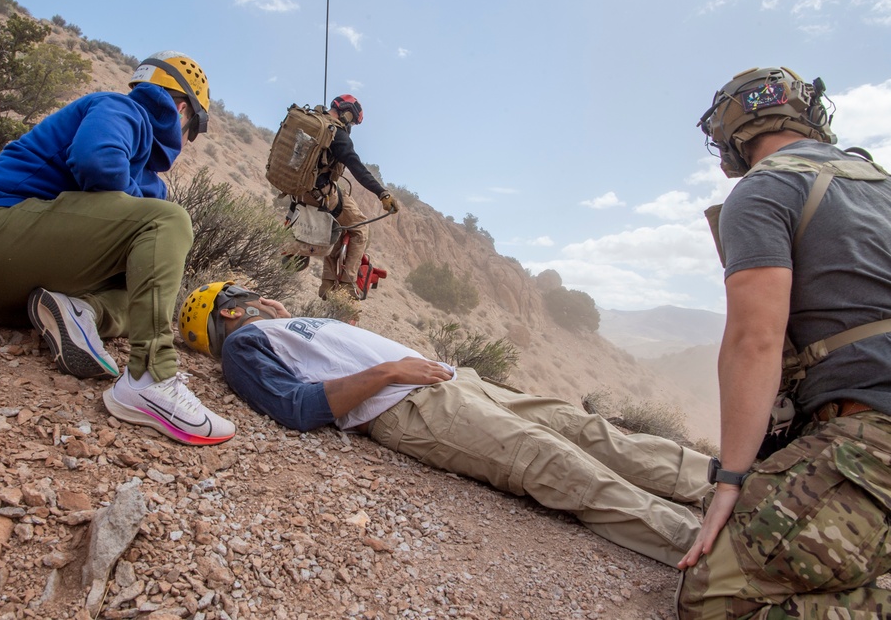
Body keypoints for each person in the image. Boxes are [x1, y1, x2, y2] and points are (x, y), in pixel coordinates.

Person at [177, 281, 713, 567]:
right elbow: (297, 408)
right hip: (413, 407)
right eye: (246, 292)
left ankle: (712, 481)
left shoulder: (287, 325)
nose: (263, 294)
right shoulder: (246, 344)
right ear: (230, 311)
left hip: (455, 383)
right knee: (554, 461)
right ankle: (701, 547)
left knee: (581, 428)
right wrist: (389, 370)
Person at [678, 66, 891, 617]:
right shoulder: (882, 185)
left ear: (731, 138)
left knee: (715, 599)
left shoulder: (767, 187)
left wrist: (730, 482)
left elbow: (755, 341)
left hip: (872, 442)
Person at [0, 52, 235, 446]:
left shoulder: (150, 180)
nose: (187, 142)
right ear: (182, 110)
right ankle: (151, 377)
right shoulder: (120, 109)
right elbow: (97, 161)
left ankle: (82, 312)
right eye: (193, 130)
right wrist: (144, 215)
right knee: (169, 220)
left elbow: (143, 249)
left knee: (147, 291)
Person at [299, 95, 398, 299]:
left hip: (297, 191)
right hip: (319, 192)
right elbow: (358, 169)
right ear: (347, 113)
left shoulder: (309, 119)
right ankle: (347, 285)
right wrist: (383, 193)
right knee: (360, 228)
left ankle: (327, 283)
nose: (351, 125)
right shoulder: (337, 134)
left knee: (338, 224)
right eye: (352, 121)